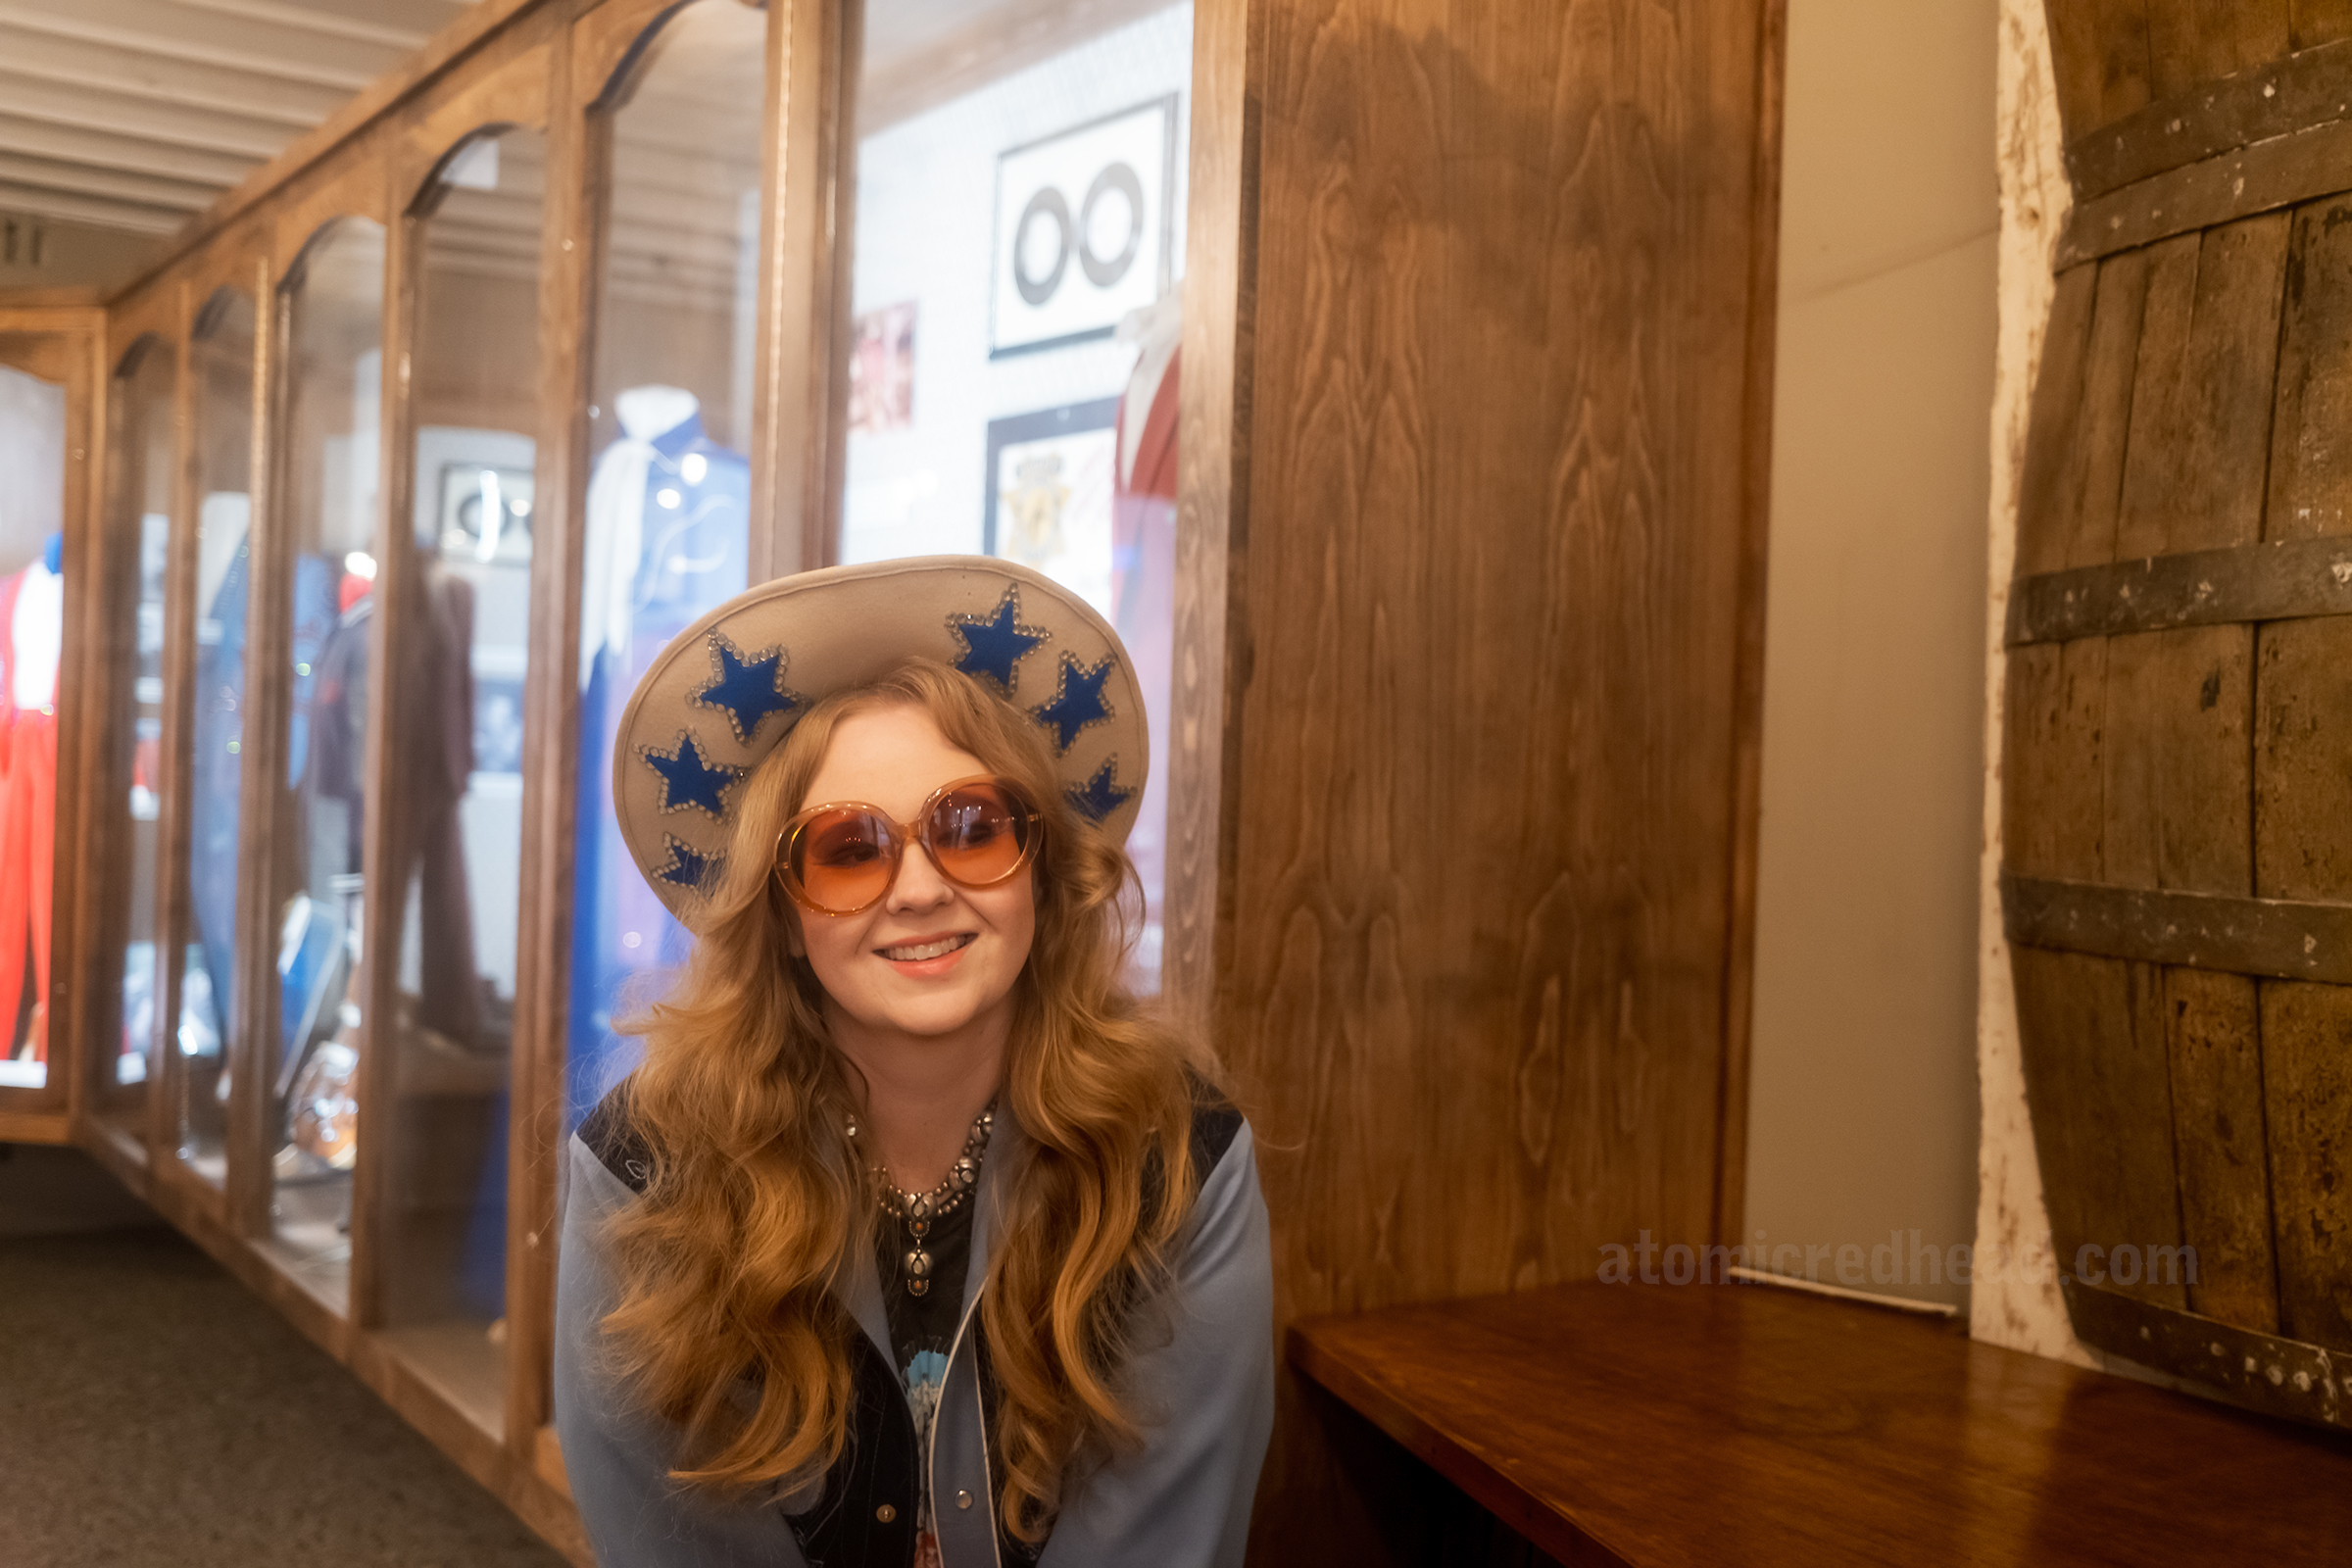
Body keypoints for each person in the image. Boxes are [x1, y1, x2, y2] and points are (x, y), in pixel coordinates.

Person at [554, 558, 1274, 1568]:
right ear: (784, 916)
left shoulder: (1180, 1160)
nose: (922, 889)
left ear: (1039, 869)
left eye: (971, 828)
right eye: (850, 849)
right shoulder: (643, 1168)